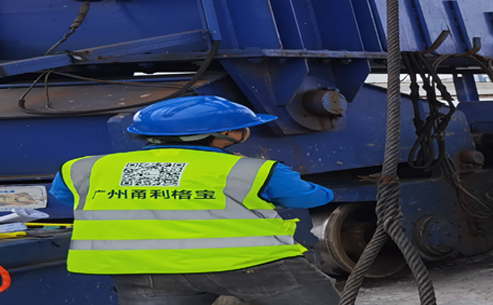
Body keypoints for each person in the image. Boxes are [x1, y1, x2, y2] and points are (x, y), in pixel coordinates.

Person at [51, 95, 341, 305]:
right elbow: (312, 197)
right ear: (225, 133)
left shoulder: (86, 167)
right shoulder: (249, 169)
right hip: (248, 265)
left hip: (141, 267)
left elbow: (65, 197)